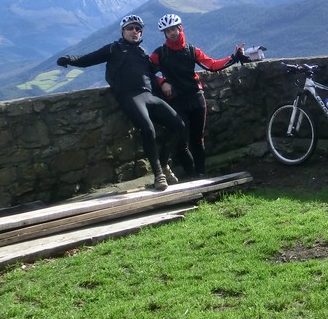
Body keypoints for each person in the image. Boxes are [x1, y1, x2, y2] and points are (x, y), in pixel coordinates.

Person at [56, 13, 195, 191]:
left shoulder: (143, 53)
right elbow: (88, 59)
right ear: (122, 31)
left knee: (179, 125)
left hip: (149, 96)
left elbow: (152, 74)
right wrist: (69, 59)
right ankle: (159, 175)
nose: (134, 32)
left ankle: (163, 163)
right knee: (148, 129)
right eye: (130, 28)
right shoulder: (113, 49)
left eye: (138, 29)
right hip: (129, 96)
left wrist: (164, 81)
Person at [150, 13, 249, 180]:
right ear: (165, 34)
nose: (172, 33)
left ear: (180, 28)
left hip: (197, 98)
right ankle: (191, 177)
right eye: (168, 31)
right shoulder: (160, 54)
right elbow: (147, 73)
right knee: (181, 141)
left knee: (197, 139)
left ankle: (201, 174)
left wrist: (234, 57)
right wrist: (161, 82)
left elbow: (211, 65)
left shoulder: (191, 50)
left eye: (174, 28)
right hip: (176, 101)